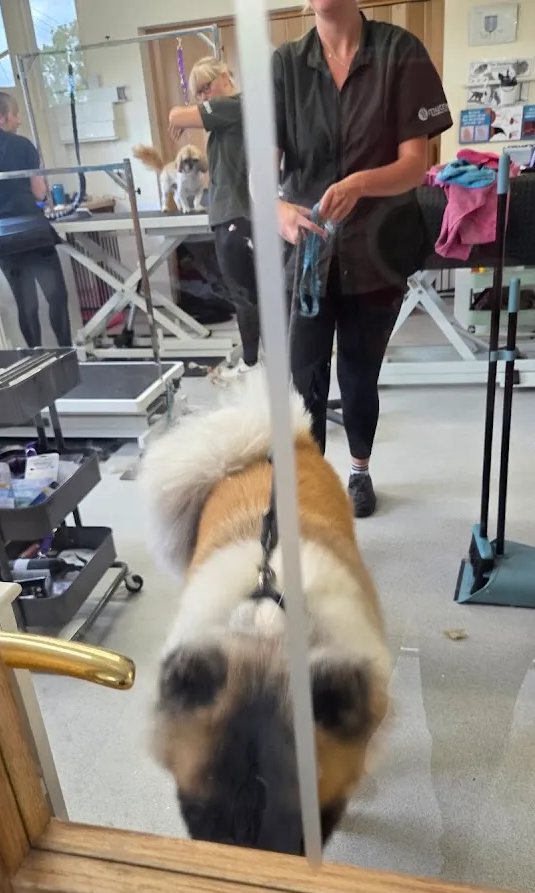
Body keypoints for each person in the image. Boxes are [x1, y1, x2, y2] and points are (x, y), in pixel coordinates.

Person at [274, 0, 452, 516]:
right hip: (307, 253)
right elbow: (261, 170)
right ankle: (308, 486)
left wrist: (359, 184)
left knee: (358, 372)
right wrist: (279, 210)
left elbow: (414, 166)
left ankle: (359, 471)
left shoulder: (401, 53)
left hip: (376, 249)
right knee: (303, 376)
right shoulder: (284, 66)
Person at [167, 60, 261, 376]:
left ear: (224, 76)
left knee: (244, 296)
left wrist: (184, 116)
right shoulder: (230, 116)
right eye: (200, 93)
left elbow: (175, 115)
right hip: (231, 213)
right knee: (245, 293)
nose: (205, 96)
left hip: (235, 214)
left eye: (207, 87)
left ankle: (252, 364)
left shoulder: (232, 105)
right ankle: (258, 361)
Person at [0, 91, 71, 349]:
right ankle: (67, 353)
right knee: (56, 296)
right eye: (15, 115)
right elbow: (39, 191)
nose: (18, 120)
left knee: (26, 303)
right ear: (1, 116)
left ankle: (35, 359)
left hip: (0, 234)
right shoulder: (23, 145)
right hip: (32, 231)